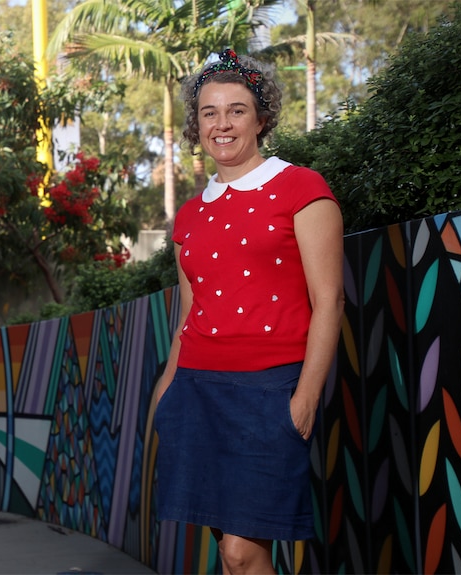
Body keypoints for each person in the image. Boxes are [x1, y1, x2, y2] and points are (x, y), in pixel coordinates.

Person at [153, 49, 344, 574]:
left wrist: (305, 399)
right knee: (231, 554)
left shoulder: (301, 188)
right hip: (195, 390)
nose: (222, 123)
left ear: (262, 118)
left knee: (242, 551)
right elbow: (189, 318)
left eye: (236, 110)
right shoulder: (190, 217)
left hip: (268, 392)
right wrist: (165, 394)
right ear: (197, 125)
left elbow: (330, 301)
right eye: (209, 112)